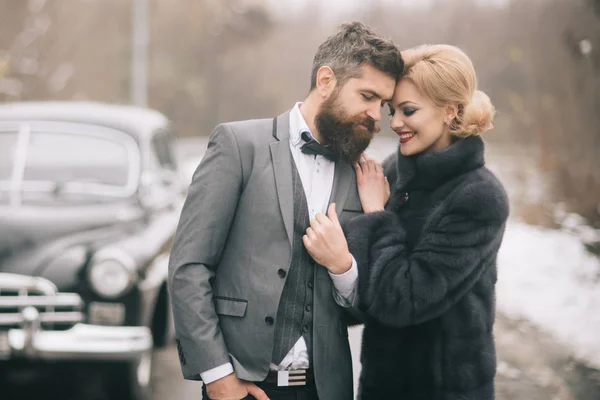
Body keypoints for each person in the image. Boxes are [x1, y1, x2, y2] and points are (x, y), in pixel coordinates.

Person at [168, 21, 403, 400]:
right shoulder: (238, 145)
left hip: (326, 391)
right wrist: (217, 376)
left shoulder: (365, 177)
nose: (378, 116)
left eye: (384, 104)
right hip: (242, 386)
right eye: (368, 97)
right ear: (326, 80)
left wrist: (344, 267)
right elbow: (189, 267)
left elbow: (364, 308)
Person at [304, 44, 509, 399]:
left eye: (408, 110)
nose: (394, 123)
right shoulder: (392, 175)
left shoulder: (479, 197)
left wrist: (376, 216)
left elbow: (406, 299)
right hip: (381, 386)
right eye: (392, 110)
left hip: (445, 389)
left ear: (450, 111)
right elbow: (362, 301)